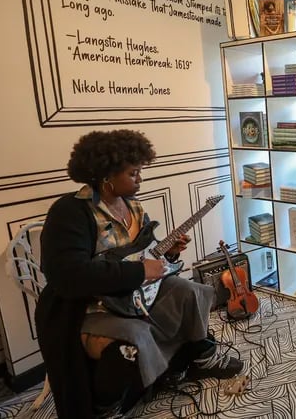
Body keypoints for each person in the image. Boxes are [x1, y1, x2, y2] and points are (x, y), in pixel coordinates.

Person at [35, 129, 243, 419]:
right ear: (106, 176)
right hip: (88, 304)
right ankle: (106, 408)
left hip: (134, 292)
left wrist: (169, 254)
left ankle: (200, 358)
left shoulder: (133, 206)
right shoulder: (70, 212)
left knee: (192, 292)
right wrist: (139, 271)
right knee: (134, 338)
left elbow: (144, 254)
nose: (140, 179)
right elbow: (68, 274)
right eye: (133, 173)